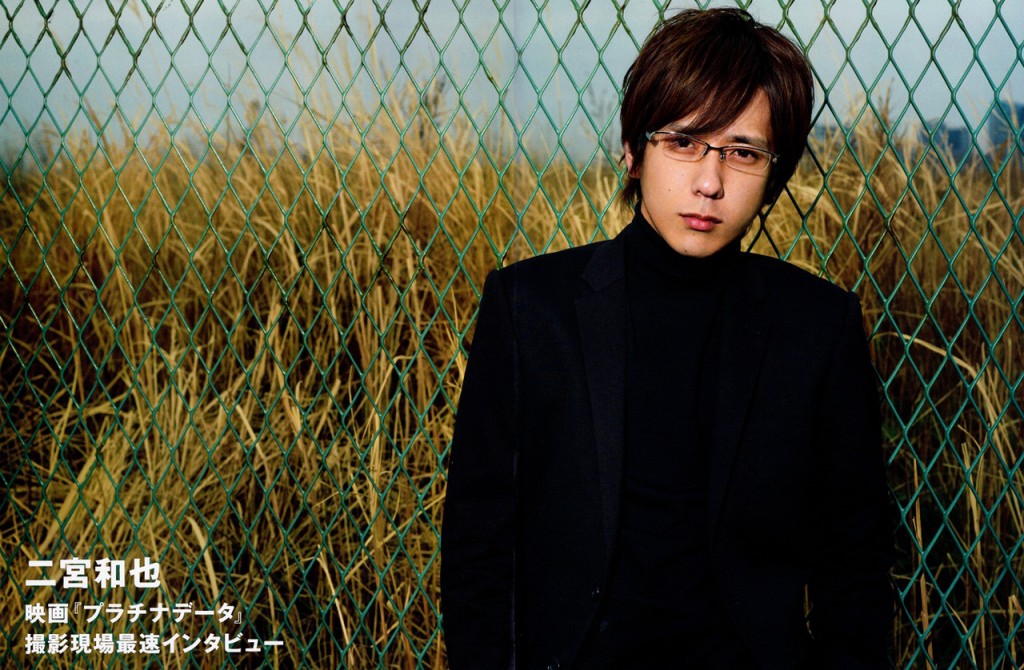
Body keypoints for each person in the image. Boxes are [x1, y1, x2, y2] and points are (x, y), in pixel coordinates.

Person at [440, 7, 894, 669]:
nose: (709, 183)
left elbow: (854, 565)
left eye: (743, 153)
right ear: (633, 150)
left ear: (774, 173)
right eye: (683, 142)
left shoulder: (818, 328)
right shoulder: (531, 308)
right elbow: (479, 548)